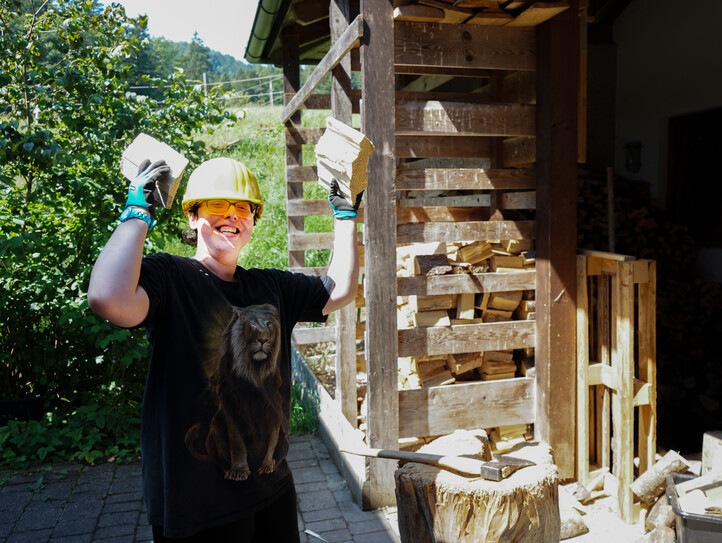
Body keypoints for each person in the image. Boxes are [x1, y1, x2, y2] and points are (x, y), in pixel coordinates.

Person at [88, 156, 361, 541]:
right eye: (217, 204)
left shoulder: (272, 287)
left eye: (243, 208)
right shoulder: (170, 277)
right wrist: (137, 214)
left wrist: (346, 216)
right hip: (198, 506)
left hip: (271, 489)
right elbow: (108, 299)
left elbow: (339, 290)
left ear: (253, 220)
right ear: (192, 216)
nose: (231, 215)